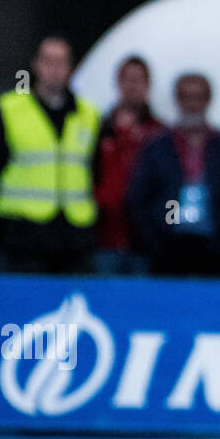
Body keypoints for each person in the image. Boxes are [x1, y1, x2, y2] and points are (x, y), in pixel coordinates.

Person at [0, 37, 99, 273]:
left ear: (71, 67)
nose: (55, 69)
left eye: (62, 62)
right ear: (36, 64)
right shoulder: (9, 110)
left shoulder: (88, 114)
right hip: (24, 234)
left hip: (74, 236)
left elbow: (96, 169)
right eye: (48, 61)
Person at [127, 73, 220, 276]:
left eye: (198, 97)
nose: (193, 104)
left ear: (208, 100)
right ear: (178, 100)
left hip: (213, 245)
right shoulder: (157, 145)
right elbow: (138, 197)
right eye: (187, 97)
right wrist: (154, 240)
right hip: (169, 244)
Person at [93, 56, 165, 275]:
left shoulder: (159, 133)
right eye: (128, 79)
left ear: (147, 85)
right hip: (104, 236)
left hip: (143, 240)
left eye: (139, 80)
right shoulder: (98, 128)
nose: (133, 85)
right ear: (118, 82)